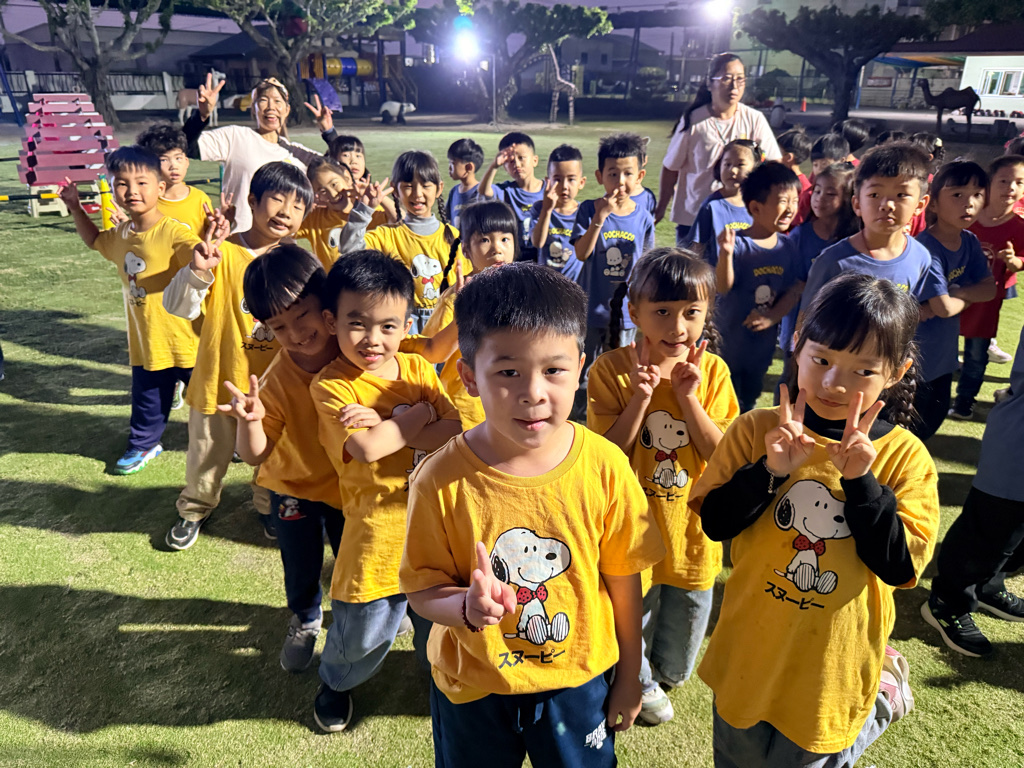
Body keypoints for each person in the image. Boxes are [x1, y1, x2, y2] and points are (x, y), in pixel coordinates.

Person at [399, 263, 666, 768]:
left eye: (554, 370)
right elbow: (422, 588)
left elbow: (625, 580)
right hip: (473, 684)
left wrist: (630, 675)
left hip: (577, 681)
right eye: (508, 372)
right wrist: (465, 608)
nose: (534, 392)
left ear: (580, 367)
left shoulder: (606, 466)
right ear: (468, 376)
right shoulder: (438, 479)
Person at [692, 273, 939, 767]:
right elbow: (715, 524)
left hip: (833, 667)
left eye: (862, 370)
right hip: (749, 652)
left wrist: (862, 483)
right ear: (798, 342)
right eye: (822, 359)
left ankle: (881, 700)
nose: (833, 383)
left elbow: (900, 566)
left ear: (896, 372)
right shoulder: (755, 429)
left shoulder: (904, 456)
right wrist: (769, 470)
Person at [309, 250, 462, 733]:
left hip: (435, 530)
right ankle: (335, 682)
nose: (373, 339)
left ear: (406, 325)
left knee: (437, 626)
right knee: (363, 631)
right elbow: (369, 448)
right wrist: (418, 415)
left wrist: (394, 422)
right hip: (375, 533)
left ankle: (440, 678)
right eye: (357, 324)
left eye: (388, 326)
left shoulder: (418, 370)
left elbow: (455, 432)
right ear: (332, 322)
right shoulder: (332, 385)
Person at [588, 249, 739, 726]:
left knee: (680, 659)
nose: (677, 327)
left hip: (692, 531)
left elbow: (724, 455)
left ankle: (658, 673)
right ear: (635, 312)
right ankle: (636, 676)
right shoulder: (609, 370)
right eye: (662, 312)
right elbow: (605, 455)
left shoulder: (713, 373)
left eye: (691, 312)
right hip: (633, 529)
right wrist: (641, 397)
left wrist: (689, 399)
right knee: (631, 610)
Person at [161, 161, 314, 551]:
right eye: (277, 199)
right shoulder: (222, 252)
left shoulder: (297, 266)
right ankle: (194, 507)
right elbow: (178, 307)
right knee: (206, 454)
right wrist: (198, 270)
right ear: (253, 200)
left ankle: (266, 506)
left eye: (297, 206)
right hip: (218, 379)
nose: (285, 212)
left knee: (270, 455)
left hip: (275, 389)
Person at [217, 245, 354, 672]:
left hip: (349, 488)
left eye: (302, 315)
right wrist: (250, 421)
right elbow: (255, 454)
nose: (295, 333)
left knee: (356, 555)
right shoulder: (274, 380)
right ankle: (307, 617)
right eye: (278, 326)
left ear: (326, 304)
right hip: (292, 488)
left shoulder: (357, 354)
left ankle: (370, 608)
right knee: (300, 563)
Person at [58, 146, 207, 475]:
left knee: (210, 399)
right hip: (147, 341)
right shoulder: (122, 235)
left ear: (160, 187)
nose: (132, 191)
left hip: (189, 340)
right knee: (147, 399)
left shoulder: (173, 231)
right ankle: (144, 444)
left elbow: (198, 253)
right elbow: (95, 240)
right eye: (122, 183)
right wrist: (75, 207)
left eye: (141, 182)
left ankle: (234, 439)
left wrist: (207, 247)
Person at [922, 321, 1024, 658]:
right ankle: (947, 601)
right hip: (1018, 439)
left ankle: (987, 585)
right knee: (992, 523)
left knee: (1016, 530)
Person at [802, 143, 940, 324]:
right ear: (857, 204)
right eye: (875, 195)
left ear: (920, 205)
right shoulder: (832, 262)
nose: (887, 205)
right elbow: (805, 322)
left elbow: (909, 316)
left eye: (901, 195)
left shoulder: (920, 258)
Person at [657, 52, 781, 246]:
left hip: (741, 218)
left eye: (740, 79)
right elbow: (671, 166)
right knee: (692, 266)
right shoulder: (695, 120)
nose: (734, 86)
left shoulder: (754, 119)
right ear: (709, 83)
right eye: (726, 79)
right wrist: (661, 207)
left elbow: (774, 165)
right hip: (694, 218)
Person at [337, 150, 464, 334]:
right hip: (401, 326)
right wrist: (364, 210)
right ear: (395, 190)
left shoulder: (453, 236)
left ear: (439, 188)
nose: (417, 194)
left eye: (426, 185)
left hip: (443, 325)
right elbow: (348, 250)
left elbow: (465, 282)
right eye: (408, 186)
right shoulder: (387, 235)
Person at [182, 75, 329, 233]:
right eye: (263, 100)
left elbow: (340, 171)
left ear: (287, 110)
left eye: (277, 101)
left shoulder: (295, 152)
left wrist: (329, 132)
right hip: (237, 238)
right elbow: (186, 146)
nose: (271, 107)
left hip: (278, 242)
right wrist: (201, 116)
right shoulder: (236, 136)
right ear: (253, 108)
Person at [914, 162, 996, 440]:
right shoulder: (926, 247)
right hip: (914, 360)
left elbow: (989, 289)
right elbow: (943, 308)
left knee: (933, 420)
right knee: (909, 430)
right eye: (957, 195)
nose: (969, 203)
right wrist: (965, 295)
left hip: (943, 357)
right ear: (934, 203)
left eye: (977, 195)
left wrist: (957, 292)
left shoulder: (969, 241)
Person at [573, 133, 656, 400]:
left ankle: (613, 414)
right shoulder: (589, 209)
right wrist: (599, 217)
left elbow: (646, 268)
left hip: (625, 314)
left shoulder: (643, 218)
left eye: (628, 174)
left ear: (640, 176)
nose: (620, 181)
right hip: (591, 309)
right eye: (612, 174)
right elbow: (581, 253)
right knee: (582, 371)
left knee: (620, 372)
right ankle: (580, 414)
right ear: (600, 176)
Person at [422, 200, 518, 430]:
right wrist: (462, 312)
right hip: (467, 412)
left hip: (512, 407)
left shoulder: (522, 291)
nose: (497, 249)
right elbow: (431, 354)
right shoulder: (456, 297)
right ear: (465, 249)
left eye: (505, 239)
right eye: (485, 240)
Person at [715, 162, 802, 412]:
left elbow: (795, 289)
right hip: (728, 345)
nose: (790, 208)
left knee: (750, 401)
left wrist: (771, 317)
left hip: (760, 350)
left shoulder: (788, 247)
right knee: (723, 404)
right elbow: (722, 287)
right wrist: (725, 255)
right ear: (755, 207)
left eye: (795, 201)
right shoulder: (738, 245)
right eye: (783, 201)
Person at [951, 154, 1024, 420]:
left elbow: (1021, 261)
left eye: (1019, 182)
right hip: (952, 296)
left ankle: (964, 403)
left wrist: (1014, 261)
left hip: (986, 304)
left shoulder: (1019, 227)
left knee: (976, 355)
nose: (1011, 188)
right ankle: (927, 396)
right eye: (1004, 181)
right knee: (941, 348)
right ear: (989, 182)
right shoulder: (967, 216)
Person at [777, 162, 858, 401]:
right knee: (791, 381)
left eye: (830, 193)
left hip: (836, 329)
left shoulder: (852, 240)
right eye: (817, 190)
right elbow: (787, 279)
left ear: (848, 199)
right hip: (799, 324)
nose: (819, 198)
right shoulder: (800, 235)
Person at [297, 157, 387, 270]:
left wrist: (381, 198)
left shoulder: (370, 210)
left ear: (347, 178)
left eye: (334, 184)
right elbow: (283, 229)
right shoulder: (315, 218)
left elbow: (401, 222)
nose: (332, 194)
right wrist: (303, 206)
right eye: (322, 191)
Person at [686, 139, 763, 262]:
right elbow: (697, 247)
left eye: (740, 165)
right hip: (717, 272)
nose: (732, 170)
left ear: (755, 169)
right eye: (727, 164)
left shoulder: (760, 204)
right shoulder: (711, 206)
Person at [136, 122, 214, 235]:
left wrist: (221, 226)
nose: (173, 166)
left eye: (178, 158)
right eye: (164, 160)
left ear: (186, 161)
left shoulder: (200, 199)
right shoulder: (147, 201)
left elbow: (211, 236)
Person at [478, 132, 546, 261]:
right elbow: (483, 191)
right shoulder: (506, 190)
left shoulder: (547, 191)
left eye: (522, 158)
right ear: (504, 167)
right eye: (510, 161)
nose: (517, 164)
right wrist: (494, 166)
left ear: (535, 160)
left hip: (542, 254)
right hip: (515, 256)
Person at [531, 144, 587, 280]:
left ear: (581, 182)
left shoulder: (584, 212)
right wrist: (547, 210)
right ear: (548, 182)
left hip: (575, 285)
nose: (564, 186)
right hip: (547, 285)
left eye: (571, 179)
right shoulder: (539, 208)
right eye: (557, 179)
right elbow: (537, 242)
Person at [324, 133, 399, 224]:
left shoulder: (371, 200)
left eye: (358, 156)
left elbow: (401, 222)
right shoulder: (326, 199)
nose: (354, 161)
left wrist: (380, 197)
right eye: (346, 155)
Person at [793, 134, 850, 226]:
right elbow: (798, 223)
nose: (819, 170)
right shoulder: (810, 195)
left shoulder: (852, 190)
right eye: (815, 165)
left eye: (824, 164)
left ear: (842, 161)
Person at [446, 138, 484, 229]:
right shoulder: (454, 191)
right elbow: (449, 220)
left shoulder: (480, 192)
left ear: (469, 167)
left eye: (452, 163)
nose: (449, 168)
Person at [776, 126, 813, 197]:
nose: (773, 155)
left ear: (789, 157)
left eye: (777, 151)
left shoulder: (804, 189)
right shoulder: (780, 177)